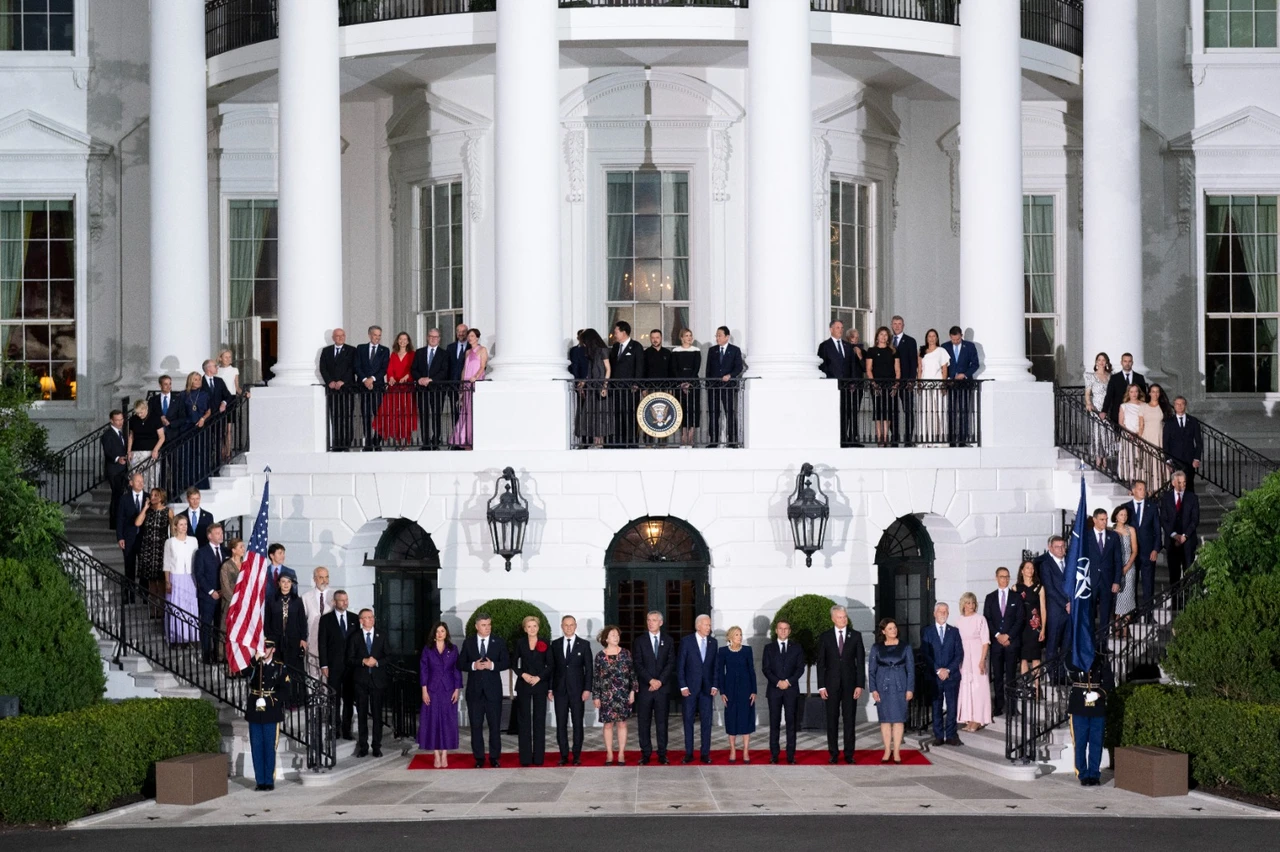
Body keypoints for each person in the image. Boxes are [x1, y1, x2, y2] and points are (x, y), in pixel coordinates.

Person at [457, 611, 509, 767]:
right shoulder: (469, 642)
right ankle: (479, 758)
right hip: (474, 692)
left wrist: (492, 665)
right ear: (477, 626)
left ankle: (494, 758)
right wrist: (474, 665)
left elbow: (506, 662)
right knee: (476, 726)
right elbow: (460, 663)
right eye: (484, 625)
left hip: (493, 692)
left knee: (494, 726)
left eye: (489, 625)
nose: (487, 628)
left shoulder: (498, 642)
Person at [816, 604, 865, 764]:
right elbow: (821, 663)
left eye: (844, 617)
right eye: (839, 617)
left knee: (849, 719)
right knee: (832, 719)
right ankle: (833, 753)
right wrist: (821, 686)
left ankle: (849, 754)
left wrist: (860, 684)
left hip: (851, 685)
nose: (843, 620)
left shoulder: (856, 636)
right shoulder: (825, 637)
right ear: (833, 619)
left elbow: (860, 661)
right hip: (831, 685)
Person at [867, 617, 915, 764]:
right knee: (886, 720)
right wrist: (873, 689)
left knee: (899, 720)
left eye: (894, 628)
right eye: (890, 628)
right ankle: (887, 749)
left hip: (900, 685)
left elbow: (911, 670)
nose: (893, 630)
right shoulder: (876, 647)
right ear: (883, 631)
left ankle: (897, 751)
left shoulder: (905, 647)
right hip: (883, 686)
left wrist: (910, 689)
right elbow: (871, 670)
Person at [244, 640, 289, 791]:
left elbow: (285, 691)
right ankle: (260, 781)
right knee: (256, 746)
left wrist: (269, 700)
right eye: (262, 647)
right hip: (255, 711)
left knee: (269, 747)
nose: (264, 650)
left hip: (271, 712)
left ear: (273, 649)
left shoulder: (280, 667)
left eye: (267, 647)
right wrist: (255, 658)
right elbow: (243, 672)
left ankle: (268, 781)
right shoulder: (255, 664)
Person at [550, 615, 593, 766]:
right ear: (562, 626)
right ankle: (563, 755)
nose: (569, 627)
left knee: (577, 723)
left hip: (578, 691)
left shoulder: (584, 645)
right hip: (560, 690)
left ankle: (576, 755)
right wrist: (550, 689)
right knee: (561, 724)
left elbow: (589, 669)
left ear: (575, 627)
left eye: (571, 625)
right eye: (566, 625)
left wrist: (587, 689)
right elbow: (552, 668)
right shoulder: (554, 644)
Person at [632, 609, 674, 764]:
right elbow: (637, 663)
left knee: (662, 723)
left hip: (662, 689)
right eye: (648, 620)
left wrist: (659, 681)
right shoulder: (640, 641)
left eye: (654, 620)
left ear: (661, 622)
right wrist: (650, 680)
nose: (650, 623)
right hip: (645, 688)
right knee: (644, 722)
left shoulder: (668, 641)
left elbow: (670, 663)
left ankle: (662, 754)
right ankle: (646, 754)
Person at [418, 622, 462, 767]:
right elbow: (424, 670)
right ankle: (436, 754)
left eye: (442, 631)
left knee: (447, 721)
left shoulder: (453, 649)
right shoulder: (428, 649)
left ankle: (445, 754)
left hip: (448, 689)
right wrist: (424, 690)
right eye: (437, 631)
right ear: (434, 634)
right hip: (432, 689)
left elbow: (457, 670)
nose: (440, 634)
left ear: (446, 633)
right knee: (433, 721)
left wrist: (457, 689)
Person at [1068, 651, 1114, 787]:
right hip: (1079, 704)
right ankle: (1082, 773)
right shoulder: (1074, 657)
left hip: (1096, 705)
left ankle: (1094, 774)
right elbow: (1070, 671)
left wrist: (1099, 694)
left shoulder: (1101, 659)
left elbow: (1109, 681)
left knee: (1096, 741)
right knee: (1080, 742)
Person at [592, 625, 637, 766]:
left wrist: (632, 691)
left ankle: (622, 753)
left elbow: (632, 674)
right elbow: (596, 678)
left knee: (622, 723)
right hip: (606, 695)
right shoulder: (600, 656)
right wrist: (596, 696)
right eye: (612, 635)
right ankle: (610, 753)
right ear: (606, 638)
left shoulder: (625, 653)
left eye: (617, 635)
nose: (616, 637)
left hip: (623, 694)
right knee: (608, 725)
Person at [762, 619, 805, 764]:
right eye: (781, 628)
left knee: (791, 723)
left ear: (790, 631)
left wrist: (788, 682)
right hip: (774, 691)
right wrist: (778, 682)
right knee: (774, 723)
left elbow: (800, 668)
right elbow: (766, 669)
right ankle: (774, 755)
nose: (783, 631)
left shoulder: (797, 648)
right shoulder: (769, 648)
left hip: (791, 690)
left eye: (786, 629)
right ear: (776, 630)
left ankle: (790, 755)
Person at [677, 614, 718, 765]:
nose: (709, 628)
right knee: (688, 720)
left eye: (710, 625)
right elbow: (680, 665)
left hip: (707, 689)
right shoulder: (686, 642)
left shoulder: (713, 643)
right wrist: (683, 686)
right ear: (698, 626)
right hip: (689, 689)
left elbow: (715, 666)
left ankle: (705, 753)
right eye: (706, 625)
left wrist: (715, 684)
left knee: (706, 721)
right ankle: (689, 753)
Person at [983, 567, 1023, 717]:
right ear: (996, 578)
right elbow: (987, 619)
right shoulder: (990, 597)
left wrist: (1008, 636)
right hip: (996, 643)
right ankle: (999, 706)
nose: (1004, 579)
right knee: (998, 676)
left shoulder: (1016, 597)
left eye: (1007, 577)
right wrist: (998, 635)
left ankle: (1012, 707)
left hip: (1011, 643)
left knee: (1011, 676)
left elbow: (1020, 619)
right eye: (1002, 576)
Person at [348, 608, 389, 758]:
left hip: (377, 681)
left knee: (377, 715)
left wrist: (377, 662)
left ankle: (377, 746)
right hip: (361, 681)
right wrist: (363, 661)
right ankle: (363, 746)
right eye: (367, 617)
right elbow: (350, 659)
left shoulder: (382, 635)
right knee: (362, 715)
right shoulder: (355, 637)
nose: (370, 620)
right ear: (361, 621)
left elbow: (388, 656)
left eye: (372, 617)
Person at [921, 602, 964, 746]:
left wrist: (948, 670)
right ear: (934, 613)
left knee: (952, 706)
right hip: (935, 677)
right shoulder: (927, 631)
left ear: (948, 613)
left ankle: (951, 735)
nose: (942, 614)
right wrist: (938, 670)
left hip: (951, 676)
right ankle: (938, 735)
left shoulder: (954, 631)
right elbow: (926, 654)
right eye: (940, 611)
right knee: (936, 705)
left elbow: (959, 654)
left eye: (945, 611)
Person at [511, 615, 551, 766]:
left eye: (534, 626)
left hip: (540, 685)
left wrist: (539, 677)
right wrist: (523, 674)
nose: (532, 629)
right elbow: (514, 663)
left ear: (538, 627)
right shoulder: (520, 643)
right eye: (529, 626)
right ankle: (525, 759)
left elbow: (550, 665)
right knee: (524, 721)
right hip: (524, 685)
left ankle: (539, 758)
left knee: (539, 721)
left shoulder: (545, 643)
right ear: (525, 628)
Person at [318, 589, 357, 739]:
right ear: (334, 602)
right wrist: (324, 665)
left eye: (346, 600)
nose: (345, 603)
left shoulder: (354, 618)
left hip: (351, 667)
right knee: (333, 699)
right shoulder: (326, 620)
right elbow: (322, 643)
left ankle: (347, 730)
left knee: (348, 699)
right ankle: (335, 729)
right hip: (333, 666)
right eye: (342, 600)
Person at [715, 625, 757, 763]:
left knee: (745, 719)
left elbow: (752, 671)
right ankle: (732, 750)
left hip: (746, 689)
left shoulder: (747, 650)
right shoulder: (723, 652)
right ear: (730, 637)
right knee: (731, 719)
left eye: (741, 634)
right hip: (730, 690)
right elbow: (721, 673)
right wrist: (723, 692)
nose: (740, 637)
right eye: (737, 635)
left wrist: (754, 691)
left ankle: (745, 751)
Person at [265, 574, 308, 707]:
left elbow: (302, 621)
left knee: (294, 669)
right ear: (278, 583)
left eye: (288, 582)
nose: (286, 584)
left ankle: (296, 699)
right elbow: (267, 621)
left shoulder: (297, 600)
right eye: (283, 581)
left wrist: (303, 638)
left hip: (294, 640)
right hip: (276, 640)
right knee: (278, 669)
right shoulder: (272, 600)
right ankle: (279, 698)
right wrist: (269, 641)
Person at [372, 331, 417, 446]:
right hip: (394, 389)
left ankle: (405, 442)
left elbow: (414, 369)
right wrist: (391, 377)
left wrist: (407, 376)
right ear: (397, 341)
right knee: (392, 414)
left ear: (408, 341)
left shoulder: (413, 354)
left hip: (406, 389)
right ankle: (397, 441)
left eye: (405, 339)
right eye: (400, 339)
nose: (402, 341)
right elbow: (389, 368)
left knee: (405, 415)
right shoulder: (393, 354)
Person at [1083, 507, 1123, 635]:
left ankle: (1103, 644)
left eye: (1106, 519)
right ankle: (1090, 643)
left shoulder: (1114, 536)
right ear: (1094, 520)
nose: (1104, 522)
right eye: (1101, 520)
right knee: (1089, 613)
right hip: (1091, 581)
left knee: (1106, 614)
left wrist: (1117, 581)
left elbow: (1118, 560)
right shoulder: (1086, 537)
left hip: (1107, 581)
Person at [1125, 480, 1162, 617]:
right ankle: (1132, 615)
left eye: (1144, 489)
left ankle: (1148, 615)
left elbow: (1157, 530)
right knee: (1131, 585)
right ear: (1133, 490)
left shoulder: (1152, 507)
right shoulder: (1126, 508)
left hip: (1148, 552)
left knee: (1148, 585)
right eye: (1140, 489)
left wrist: (1156, 549)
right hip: (1131, 554)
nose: (1143, 491)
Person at [955, 592, 991, 732]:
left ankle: (978, 719)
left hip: (977, 655)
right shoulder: (959, 621)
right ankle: (968, 718)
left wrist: (982, 660)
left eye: (973, 603)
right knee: (966, 687)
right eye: (968, 603)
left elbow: (985, 641)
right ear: (963, 604)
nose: (971, 606)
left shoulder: (980, 619)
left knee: (978, 687)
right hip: (964, 657)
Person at [193, 522, 228, 664]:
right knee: (207, 626)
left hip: (223, 596)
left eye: (221, 532)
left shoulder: (225, 551)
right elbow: (199, 575)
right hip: (208, 597)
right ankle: (207, 656)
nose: (221, 535)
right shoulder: (201, 552)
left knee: (220, 627)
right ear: (210, 536)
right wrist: (211, 591)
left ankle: (219, 654)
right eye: (218, 533)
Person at [162, 514, 200, 646]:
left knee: (190, 606)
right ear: (176, 526)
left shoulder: (193, 540)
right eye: (181, 524)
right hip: (176, 577)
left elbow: (197, 560)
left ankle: (192, 636)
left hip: (190, 577)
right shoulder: (170, 542)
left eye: (185, 524)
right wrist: (167, 581)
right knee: (177, 606)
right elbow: (166, 563)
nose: (184, 527)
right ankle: (177, 638)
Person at [1160, 470, 1199, 593]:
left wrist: (1184, 536)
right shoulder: (1165, 498)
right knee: (1174, 575)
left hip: (1188, 542)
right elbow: (1164, 519)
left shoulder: (1192, 497)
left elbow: (1195, 520)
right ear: (1173, 483)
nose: (1182, 485)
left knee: (1189, 572)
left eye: (1184, 482)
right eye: (1179, 482)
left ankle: (1188, 603)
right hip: (1172, 543)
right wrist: (1174, 535)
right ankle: (1175, 604)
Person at [411, 328, 451, 450]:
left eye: (436, 337)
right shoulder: (419, 352)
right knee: (423, 415)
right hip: (422, 389)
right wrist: (420, 379)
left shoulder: (444, 354)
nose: (433, 339)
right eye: (431, 336)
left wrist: (431, 379)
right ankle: (426, 441)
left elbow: (444, 371)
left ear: (439, 339)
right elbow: (414, 369)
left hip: (437, 389)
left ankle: (436, 441)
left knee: (436, 415)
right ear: (427, 337)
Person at [705, 326, 744, 447]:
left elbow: (739, 367)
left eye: (719, 335)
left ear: (727, 337)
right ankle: (713, 441)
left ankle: (732, 441)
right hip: (714, 387)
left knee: (730, 413)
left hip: (728, 387)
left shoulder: (735, 350)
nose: (717, 338)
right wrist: (708, 385)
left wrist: (730, 375)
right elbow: (708, 369)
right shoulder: (712, 350)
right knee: (713, 414)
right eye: (716, 335)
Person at [136, 487, 172, 616]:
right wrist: (145, 508)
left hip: (161, 548)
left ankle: (162, 610)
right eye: (151, 495)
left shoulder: (168, 511)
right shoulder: (148, 511)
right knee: (151, 582)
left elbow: (173, 532)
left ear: (161, 497)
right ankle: (152, 610)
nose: (153, 497)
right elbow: (137, 523)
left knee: (161, 581)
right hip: (148, 547)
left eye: (156, 495)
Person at [941, 326, 979, 445]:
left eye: (957, 339)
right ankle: (951, 439)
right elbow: (943, 365)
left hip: (965, 383)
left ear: (961, 336)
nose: (956, 342)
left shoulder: (970, 346)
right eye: (953, 339)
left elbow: (975, 364)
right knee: (951, 410)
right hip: (951, 383)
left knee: (964, 410)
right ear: (950, 337)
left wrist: (965, 374)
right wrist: (946, 379)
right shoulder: (945, 346)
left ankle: (963, 439)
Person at [354, 325, 390, 450]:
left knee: (379, 415)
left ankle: (377, 441)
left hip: (378, 387)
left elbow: (384, 368)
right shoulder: (361, 348)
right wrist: (365, 380)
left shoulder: (384, 350)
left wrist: (372, 379)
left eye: (379, 335)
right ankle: (368, 442)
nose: (377, 338)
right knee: (366, 415)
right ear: (369, 335)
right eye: (375, 335)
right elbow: (357, 366)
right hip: (364, 387)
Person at [609, 320, 645, 445]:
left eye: (616, 332)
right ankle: (619, 439)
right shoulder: (615, 347)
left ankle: (632, 440)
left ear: (624, 332)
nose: (614, 334)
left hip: (630, 388)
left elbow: (640, 366)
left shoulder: (636, 346)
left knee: (630, 413)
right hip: (616, 388)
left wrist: (636, 383)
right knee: (618, 413)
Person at [818, 319, 854, 445]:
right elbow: (823, 367)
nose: (840, 330)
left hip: (846, 386)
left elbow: (851, 366)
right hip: (832, 385)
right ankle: (834, 438)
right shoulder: (824, 346)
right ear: (831, 329)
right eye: (838, 327)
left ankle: (845, 438)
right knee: (833, 412)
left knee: (846, 412)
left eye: (842, 328)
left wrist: (852, 382)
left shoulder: (847, 346)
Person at [319, 328, 357, 450]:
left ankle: (346, 443)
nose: (340, 338)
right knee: (335, 416)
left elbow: (353, 367)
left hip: (346, 389)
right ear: (333, 338)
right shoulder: (326, 351)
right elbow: (323, 368)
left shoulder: (352, 350)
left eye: (342, 336)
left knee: (346, 416)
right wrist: (329, 381)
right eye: (337, 336)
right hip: (332, 390)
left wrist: (343, 381)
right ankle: (337, 443)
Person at [1037, 536, 1070, 674]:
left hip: (1071, 610)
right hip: (1056, 610)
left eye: (1063, 546)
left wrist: (1072, 603)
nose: (1061, 549)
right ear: (1050, 548)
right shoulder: (1046, 565)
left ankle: (1063, 673)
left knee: (1067, 644)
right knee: (1053, 645)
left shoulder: (1070, 562)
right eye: (1057, 546)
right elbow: (1050, 590)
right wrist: (1066, 604)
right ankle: (1052, 675)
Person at [575, 328, 613, 448]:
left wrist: (605, 386)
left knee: (601, 414)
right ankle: (595, 440)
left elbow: (608, 369)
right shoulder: (592, 352)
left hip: (600, 385)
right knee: (592, 414)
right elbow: (591, 371)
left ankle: (600, 442)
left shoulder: (603, 350)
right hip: (592, 386)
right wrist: (584, 382)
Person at [451, 328, 487, 449]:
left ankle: (473, 438)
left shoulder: (482, 350)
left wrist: (476, 377)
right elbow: (464, 369)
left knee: (473, 410)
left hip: (475, 383)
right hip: (466, 383)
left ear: (477, 337)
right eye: (469, 336)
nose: (470, 338)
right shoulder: (467, 352)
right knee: (465, 411)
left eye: (472, 336)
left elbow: (482, 366)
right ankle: (464, 439)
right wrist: (462, 386)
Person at [116, 472, 148, 603]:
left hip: (144, 538)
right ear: (131, 483)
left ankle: (145, 594)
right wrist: (120, 537)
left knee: (145, 567)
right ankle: (130, 595)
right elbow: (120, 519)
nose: (141, 483)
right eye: (137, 481)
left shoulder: (148, 498)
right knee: (129, 567)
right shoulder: (124, 499)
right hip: (129, 538)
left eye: (142, 481)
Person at [864, 326, 900, 447]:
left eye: (885, 335)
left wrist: (896, 385)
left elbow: (897, 369)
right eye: (881, 334)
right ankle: (879, 437)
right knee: (878, 410)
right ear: (877, 337)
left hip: (890, 384)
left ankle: (886, 436)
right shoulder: (871, 350)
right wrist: (873, 384)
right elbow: (869, 369)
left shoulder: (893, 351)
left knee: (888, 410)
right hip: (876, 385)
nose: (883, 337)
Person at [1015, 559, 1046, 683]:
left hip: (1034, 626)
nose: (1030, 570)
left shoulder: (1039, 587)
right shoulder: (1016, 588)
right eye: (1027, 568)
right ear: (1022, 571)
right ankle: (1025, 686)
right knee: (1023, 658)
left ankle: (1037, 688)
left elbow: (1043, 609)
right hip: (1021, 626)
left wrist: (1043, 628)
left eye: (1032, 568)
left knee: (1035, 658)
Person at [1164, 396, 1203, 492]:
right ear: (1174, 406)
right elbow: (1165, 442)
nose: (1179, 406)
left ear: (1185, 405)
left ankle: (1189, 506)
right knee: (1176, 486)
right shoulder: (1169, 422)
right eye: (1177, 404)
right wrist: (1167, 460)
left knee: (1189, 485)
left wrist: (1197, 458)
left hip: (1189, 460)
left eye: (1182, 404)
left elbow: (1198, 441)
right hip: (1175, 460)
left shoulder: (1193, 421)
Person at [1082, 352, 1115, 468]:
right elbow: (1087, 393)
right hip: (1097, 406)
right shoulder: (1091, 376)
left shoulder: (1111, 376)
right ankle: (1098, 458)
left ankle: (1105, 459)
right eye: (1099, 360)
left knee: (1107, 432)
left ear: (1106, 362)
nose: (1101, 362)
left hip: (1108, 407)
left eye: (1103, 360)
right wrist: (1089, 403)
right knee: (1097, 431)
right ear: (1096, 362)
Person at [670, 329, 702, 446]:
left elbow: (696, 368)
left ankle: (691, 435)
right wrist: (682, 383)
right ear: (681, 338)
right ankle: (683, 435)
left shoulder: (696, 350)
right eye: (686, 336)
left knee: (693, 408)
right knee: (681, 408)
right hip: (679, 384)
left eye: (690, 335)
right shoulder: (675, 351)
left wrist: (689, 382)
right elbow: (674, 368)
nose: (689, 338)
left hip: (693, 383)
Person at [917, 328, 949, 445]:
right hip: (926, 384)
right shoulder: (922, 351)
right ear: (926, 338)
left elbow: (945, 369)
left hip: (938, 383)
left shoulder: (942, 351)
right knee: (927, 411)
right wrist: (919, 383)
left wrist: (944, 384)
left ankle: (940, 439)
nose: (931, 338)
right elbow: (920, 369)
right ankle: (927, 439)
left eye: (933, 336)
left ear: (937, 338)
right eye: (929, 336)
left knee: (939, 411)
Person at [890, 316, 919, 446]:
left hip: (906, 381)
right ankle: (894, 438)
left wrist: (912, 380)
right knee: (892, 411)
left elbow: (914, 362)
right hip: (891, 382)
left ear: (903, 325)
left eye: (899, 324)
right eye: (895, 324)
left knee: (908, 410)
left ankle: (908, 438)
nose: (897, 326)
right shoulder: (887, 340)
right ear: (891, 325)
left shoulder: (910, 341)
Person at [1111, 505, 1139, 635]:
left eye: (1125, 515)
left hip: (1129, 567)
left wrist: (1127, 566)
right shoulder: (1110, 531)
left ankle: (1125, 630)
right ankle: (1116, 629)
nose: (1124, 517)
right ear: (1116, 516)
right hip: (1114, 567)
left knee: (1127, 597)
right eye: (1121, 514)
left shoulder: (1131, 530)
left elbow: (1135, 550)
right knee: (1117, 599)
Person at [302, 567, 333, 679]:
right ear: (315, 579)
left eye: (326, 577)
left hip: (329, 644)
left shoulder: (334, 596)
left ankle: (327, 697)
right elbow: (302, 621)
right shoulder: (306, 597)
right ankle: (313, 697)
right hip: (312, 643)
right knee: (312, 676)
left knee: (327, 677)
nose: (324, 580)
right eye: (321, 577)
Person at [125, 399, 164, 489]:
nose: (139, 415)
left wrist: (156, 450)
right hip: (136, 452)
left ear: (146, 408)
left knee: (151, 478)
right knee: (135, 478)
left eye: (141, 412)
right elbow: (131, 436)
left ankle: (151, 500)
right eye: (137, 413)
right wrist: (129, 451)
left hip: (151, 452)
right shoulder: (133, 419)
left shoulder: (155, 418)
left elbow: (162, 437)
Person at [1101, 352, 1147, 424]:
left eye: (1129, 361)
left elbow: (1144, 396)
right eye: (1125, 361)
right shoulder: (1114, 378)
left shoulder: (1139, 378)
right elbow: (1109, 395)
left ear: (1132, 362)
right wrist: (1104, 411)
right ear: (1121, 362)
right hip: (1117, 413)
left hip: (1135, 414)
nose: (1127, 363)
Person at [101, 410, 128, 530]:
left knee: (120, 494)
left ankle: (118, 521)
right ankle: (114, 523)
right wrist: (117, 459)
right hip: (114, 469)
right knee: (117, 495)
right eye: (117, 420)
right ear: (111, 421)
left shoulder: (121, 433)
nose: (120, 422)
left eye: (121, 419)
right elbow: (108, 452)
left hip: (122, 469)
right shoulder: (107, 435)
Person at [219, 538, 245, 657]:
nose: (243, 549)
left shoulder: (245, 564)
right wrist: (235, 602)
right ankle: (223, 655)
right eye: (240, 547)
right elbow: (225, 587)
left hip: (244, 603)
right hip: (230, 603)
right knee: (227, 629)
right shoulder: (226, 566)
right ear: (234, 550)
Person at [1141, 383, 1169, 490]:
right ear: (1149, 393)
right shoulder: (1143, 407)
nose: (1155, 394)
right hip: (1147, 436)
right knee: (1148, 463)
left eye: (1157, 391)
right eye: (1153, 391)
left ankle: (1160, 488)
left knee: (1159, 462)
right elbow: (1141, 425)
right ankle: (1148, 488)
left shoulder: (1164, 407)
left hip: (1159, 437)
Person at [1118, 384, 1146, 481]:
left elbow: (1145, 421)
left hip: (1141, 435)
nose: (1134, 394)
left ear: (1139, 393)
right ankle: (1130, 480)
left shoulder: (1144, 405)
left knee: (1140, 459)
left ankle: (1140, 480)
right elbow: (1121, 422)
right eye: (1131, 392)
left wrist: (1139, 434)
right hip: (1128, 436)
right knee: (1129, 458)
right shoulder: (1123, 406)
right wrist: (1129, 433)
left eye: (1136, 391)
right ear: (1128, 393)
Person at [845, 326, 867, 445]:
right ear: (849, 338)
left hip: (858, 385)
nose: (856, 340)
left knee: (855, 411)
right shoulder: (845, 349)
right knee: (846, 411)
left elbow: (865, 368)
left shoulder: (862, 350)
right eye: (853, 337)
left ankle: (854, 437)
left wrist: (859, 356)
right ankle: (845, 436)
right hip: (847, 386)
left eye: (857, 338)